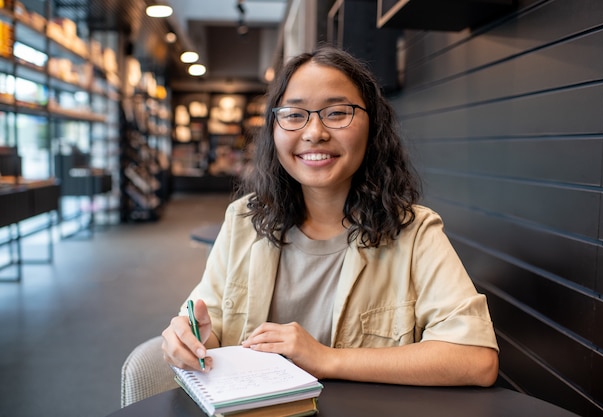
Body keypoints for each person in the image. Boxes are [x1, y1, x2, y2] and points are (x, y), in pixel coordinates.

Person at [162, 45, 499, 387]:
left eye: (337, 113)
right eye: (294, 115)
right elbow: (210, 325)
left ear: (373, 126)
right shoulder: (244, 220)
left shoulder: (414, 232)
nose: (314, 132)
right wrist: (195, 342)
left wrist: (327, 358)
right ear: (274, 129)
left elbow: (475, 359)